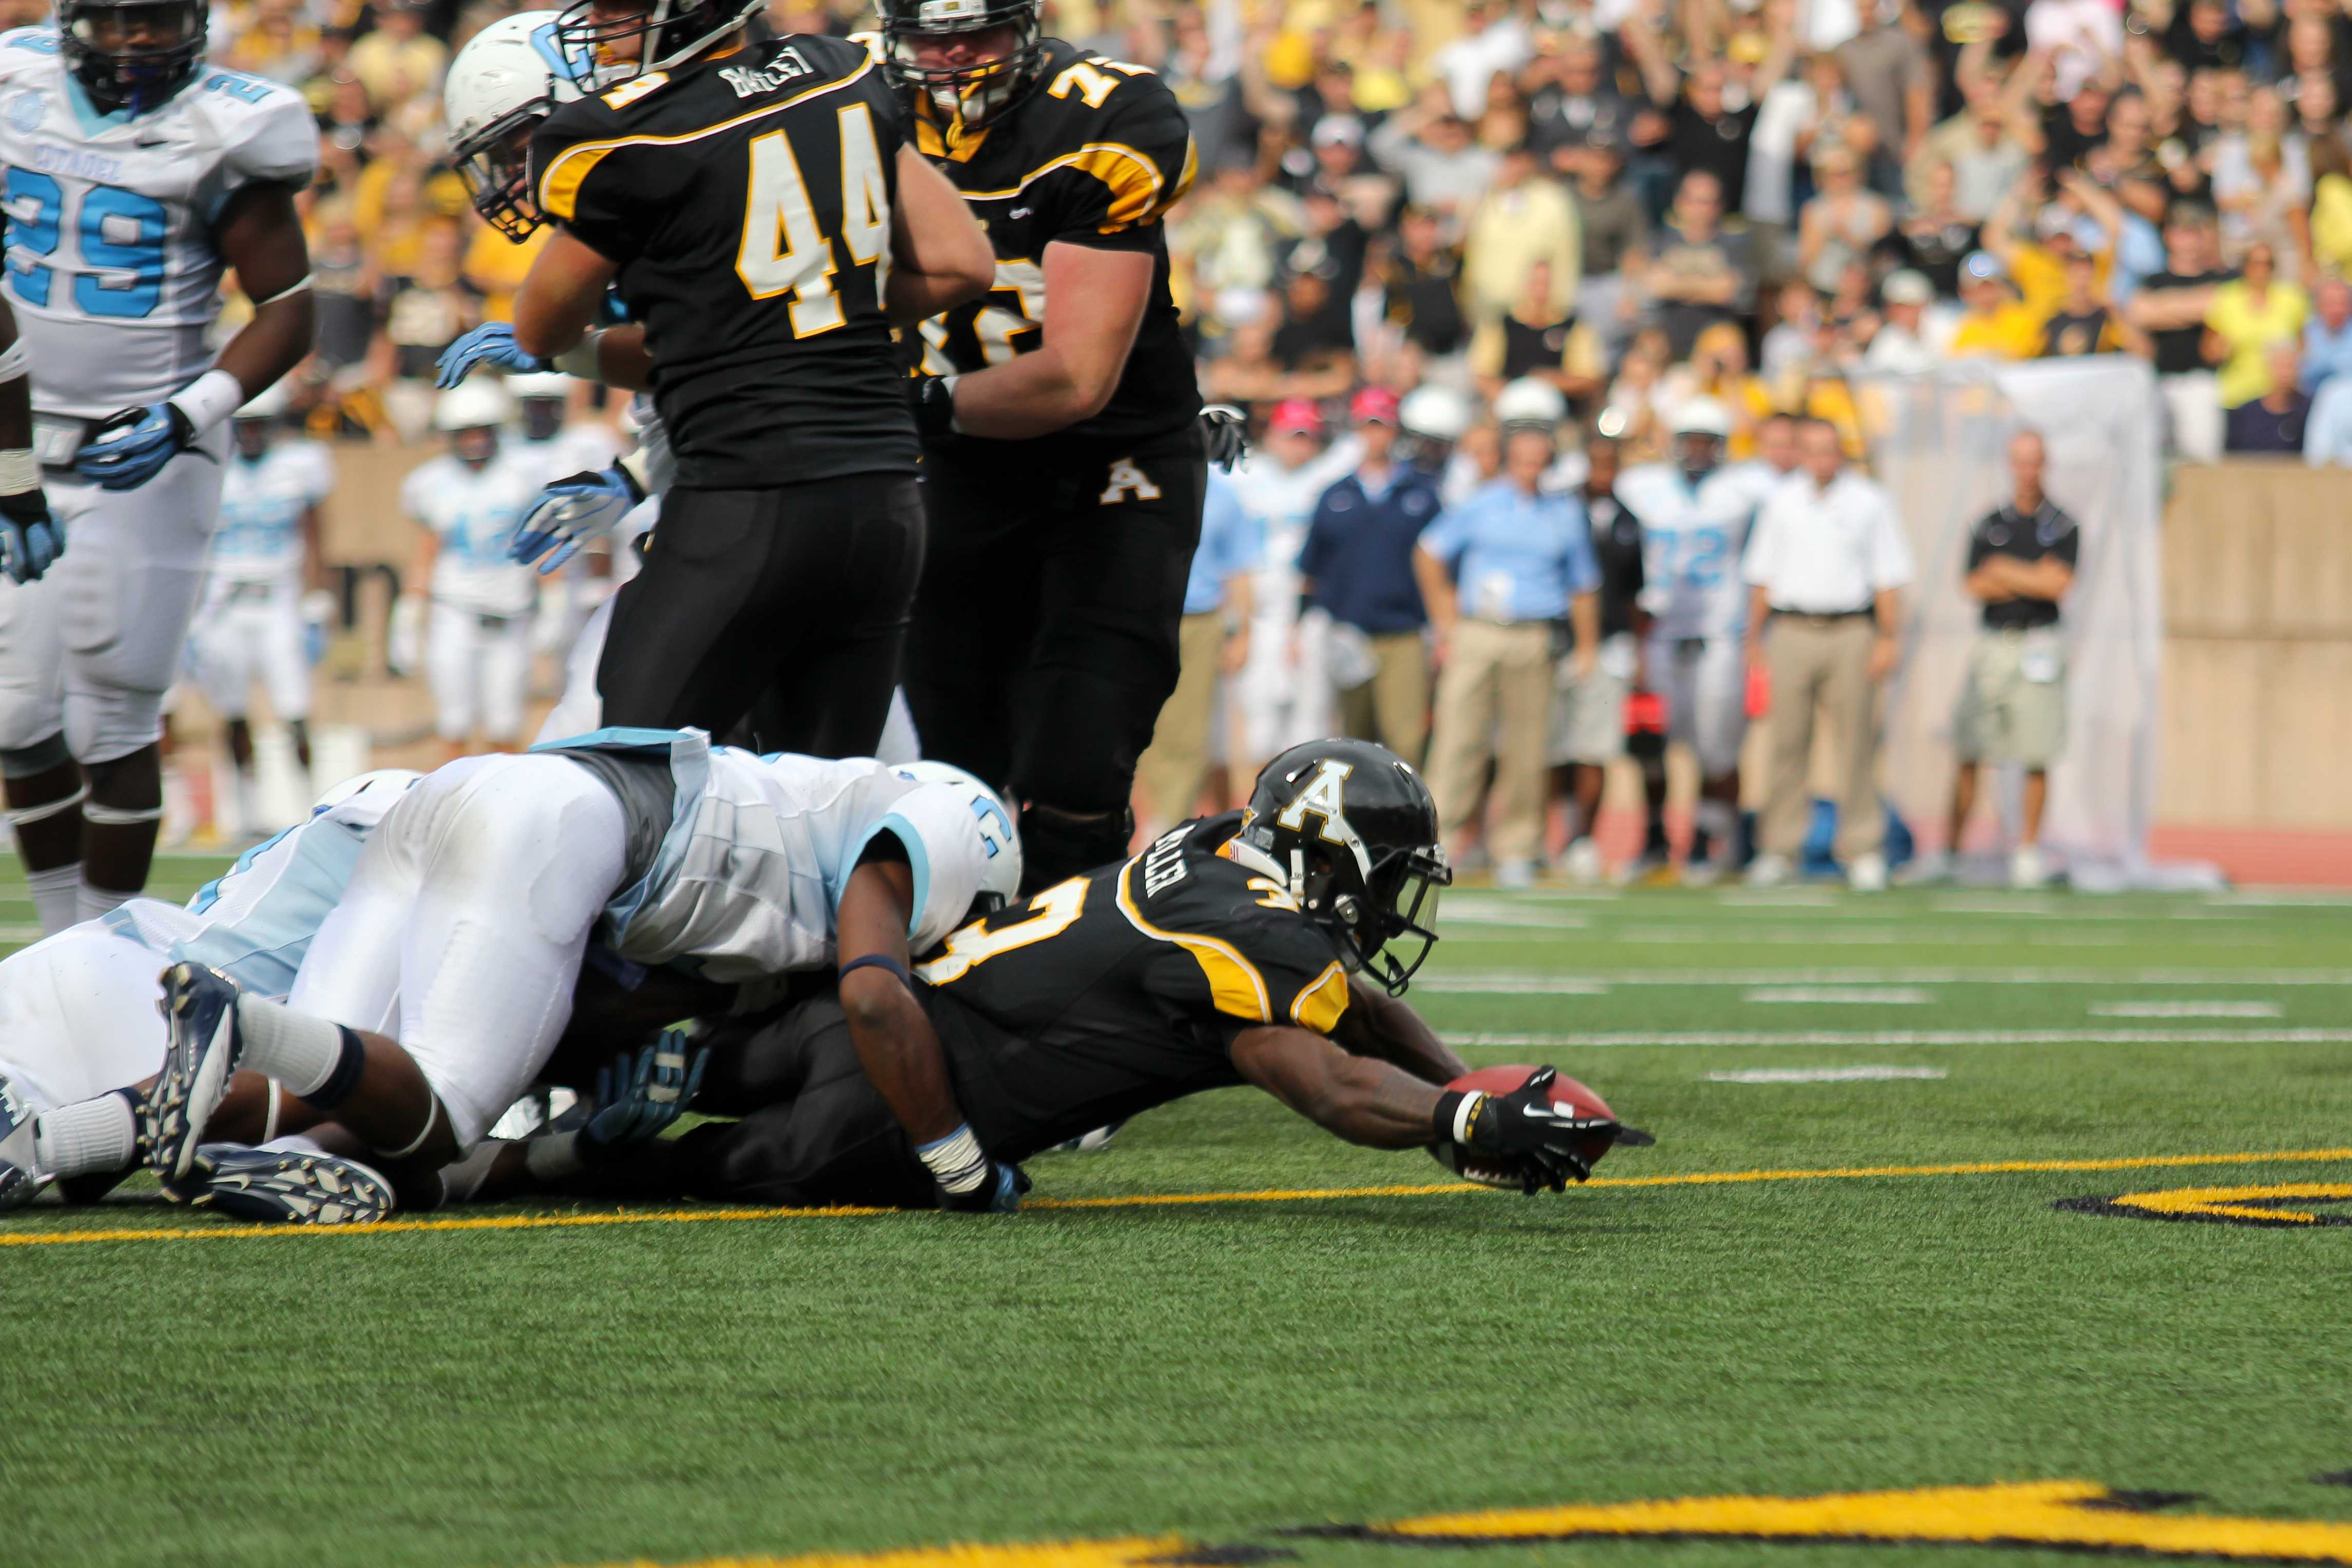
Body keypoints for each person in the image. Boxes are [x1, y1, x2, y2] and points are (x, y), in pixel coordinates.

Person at [507, 740, 1627, 1210]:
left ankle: (484, 1088)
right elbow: (1326, 1081)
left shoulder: (1211, 852)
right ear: (1322, 857)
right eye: (1379, 878)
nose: (1385, 906)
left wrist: (1460, 1080)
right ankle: (479, 1166)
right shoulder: (1256, 943)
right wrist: (1458, 1119)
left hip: (855, 1027)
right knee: (645, 1176)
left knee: (629, 1072)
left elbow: (1359, 1010)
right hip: (904, 1108)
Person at [138, 736, 1024, 1220]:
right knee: (440, 1115)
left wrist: (599, 1121)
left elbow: (618, 997)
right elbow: (874, 995)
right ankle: (242, 1024)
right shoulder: (921, 833)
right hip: (556, 826)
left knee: (334, 1105)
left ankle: (49, 1141)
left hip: (474, 794)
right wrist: (960, 1166)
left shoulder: (810, 815)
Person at [494, 0, 994, 756]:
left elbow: (540, 328)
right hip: (885, 502)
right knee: (825, 814)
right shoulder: (842, 71)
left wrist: (719, 324)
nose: (601, 28)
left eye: (619, 10)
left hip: (749, 501)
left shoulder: (625, 133)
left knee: (626, 775)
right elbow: (963, 261)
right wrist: (810, 306)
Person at [0, 0, 319, 936]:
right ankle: (69, 940)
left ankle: (113, 943)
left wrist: (190, 412)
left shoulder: (233, 126)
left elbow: (288, 309)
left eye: (159, 20)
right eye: (119, 21)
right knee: (15, 717)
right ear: (73, 24)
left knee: (114, 716)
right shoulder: (13, 86)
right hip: (16, 432)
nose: (140, 41)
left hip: (148, 449)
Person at [885, 0, 1210, 895]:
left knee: (1074, 764)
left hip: (1109, 465)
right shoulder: (857, 112)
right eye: (929, 32)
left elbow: (1073, 379)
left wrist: (903, 403)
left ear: (1025, 25)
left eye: (979, 29)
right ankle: (953, 996)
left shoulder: (1103, 116)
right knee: (948, 771)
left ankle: (1070, 992)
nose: (953, 53)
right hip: (956, 466)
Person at [0, 769, 425, 1212]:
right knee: (388, 1092)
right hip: (172, 1017)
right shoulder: (448, 847)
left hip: (83, 960)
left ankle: (74, 1142)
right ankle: (290, 1149)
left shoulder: (374, 812)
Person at [1416, 426, 1602, 889]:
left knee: (1527, 746)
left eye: (1538, 460)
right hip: (1479, 631)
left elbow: (1583, 584)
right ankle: (1442, 840)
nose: (1529, 469)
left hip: (1535, 634)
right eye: (1522, 459)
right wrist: (1445, 618)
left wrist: (1587, 645)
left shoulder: (1564, 513)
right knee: (1459, 738)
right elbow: (1429, 553)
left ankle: (1517, 846)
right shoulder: (1481, 503)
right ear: (1507, 460)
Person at [1741, 419, 1914, 892]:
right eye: (1812, 451)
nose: (1821, 460)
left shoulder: (1868, 502)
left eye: (1829, 451)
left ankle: (1863, 848)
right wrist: (1754, 638)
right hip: (1793, 628)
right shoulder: (1782, 501)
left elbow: (1888, 576)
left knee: (1857, 743)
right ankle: (1779, 847)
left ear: (1841, 454)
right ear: (1801, 454)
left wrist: (1888, 637)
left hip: (1850, 629)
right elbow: (1761, 574)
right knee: (1787, 744)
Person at [1614, 400, 1775, 885]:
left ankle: (1708, 841)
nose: (1699, 451)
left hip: (1718, 638)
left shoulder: (1744, 490)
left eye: (1708, 441)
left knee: (1717, 747)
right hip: (1657, 637)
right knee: (1649, 742)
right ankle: (1656, 837)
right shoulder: (1643, 489)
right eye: (1691, 440)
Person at [1913, 429, 2077, 891]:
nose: (2027, 470)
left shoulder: (2062, 525)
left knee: (2036, 749)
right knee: (1970, 746)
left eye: (2034, 461)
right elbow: (1973, 584)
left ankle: (2027, 849)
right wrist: (2029, 576)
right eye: (2020, 461)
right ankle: (1952, 849)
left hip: (2040, 643)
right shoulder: (1990, 522)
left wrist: (2004, 569)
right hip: (1994, 642)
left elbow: (2057, 585)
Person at [188, 385, 333, 836]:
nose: (250, 434)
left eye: (258, 425)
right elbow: (195, 539)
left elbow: (315, 534)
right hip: (225, 602)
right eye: (243, 425)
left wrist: (317, 595)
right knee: (232, 711)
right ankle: (246, 809)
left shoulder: (298, 467)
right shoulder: (215, 472)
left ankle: (311, 803)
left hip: (279, 597)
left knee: (295, 708)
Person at [399, 382, 543, 762]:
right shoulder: (431, 482)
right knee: (454, 724)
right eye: (466, 432)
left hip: (509, 614)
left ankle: (509, 816)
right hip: (455, 611)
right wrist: (411, 609)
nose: (475, 441)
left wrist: (555, 598)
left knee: (505, 727)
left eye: (483, 430)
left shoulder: (522, 476)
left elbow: (540, 543)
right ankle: (451, 815)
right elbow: (429, 547)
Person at [1298, 387, 1441, 768]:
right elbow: (1311, 570)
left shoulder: (1422, 494)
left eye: (1383, 426)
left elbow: (1442, 569)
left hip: (1405, 631)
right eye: (1369, 425)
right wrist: (1309, 626)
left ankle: (1402, 826)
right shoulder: (1335, 495)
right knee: (1351, 744)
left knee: (1406, 741)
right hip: (1350, 631)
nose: (1377, 435)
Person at [1229, 399, 1357, 787]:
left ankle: (1299, 816)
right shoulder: (1246, 476)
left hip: (1310, 612)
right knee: (1254, 721)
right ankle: (1245, 813)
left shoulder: (1327, 478)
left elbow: (1359, 446)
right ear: (1272, 436)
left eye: (1307, 437)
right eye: (1292, 436)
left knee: (1310, 721)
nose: (1299, 445)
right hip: (1259, 614)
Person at [1133, 468, 1255, 837]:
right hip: (1143, 614)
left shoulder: (1222, 494)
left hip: (1199, 618)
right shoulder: (1137, 480)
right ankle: (1148, 818)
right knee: (1143, 728)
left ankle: (1167, 825)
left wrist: (1242, 632)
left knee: (1189, 732)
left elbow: (1240, 568)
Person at [1551, 434, 1645, 885]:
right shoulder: (1558, 511)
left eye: (1611, 464)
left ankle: (1582, 838)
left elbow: (1634, 594)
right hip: (1557, 639)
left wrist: (1636, 649)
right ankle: (1549, 834)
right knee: (1551, 746)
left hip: (1606, 642)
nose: (1604, 472)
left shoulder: (1629, 521)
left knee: (1594, 747)